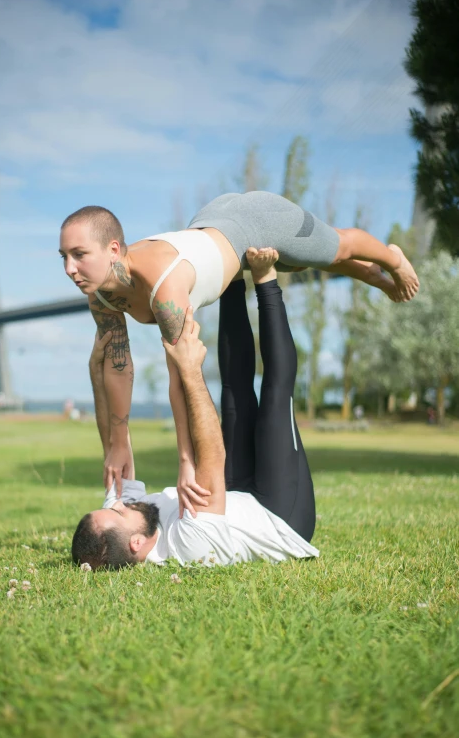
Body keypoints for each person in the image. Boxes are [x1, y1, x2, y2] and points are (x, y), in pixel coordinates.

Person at [59, 190, 420, 504]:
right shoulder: (100, 296)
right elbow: (118, 366)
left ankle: (391, 259)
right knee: (296, 262)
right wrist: (118, 441)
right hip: (211, 221)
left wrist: (187, 462)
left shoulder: (164, 285)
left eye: (79, 254)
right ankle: (371, 274)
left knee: (336, 246)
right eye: (64, 257)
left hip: (254, 220)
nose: (70, 268)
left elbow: (181, 374)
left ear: (113, 249)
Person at [71, 249, 319, 570]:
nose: (120, 502)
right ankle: (265, 277)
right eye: (118, 511)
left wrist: (95, 370)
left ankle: (231, 277)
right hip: (280, 516)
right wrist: (189, 370)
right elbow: (213, 456)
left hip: (235, 493)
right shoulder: (189, 546)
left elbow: (113, 446)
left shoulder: (126, 516)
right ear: (136, 543)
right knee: (273, 393)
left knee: (234, 391)